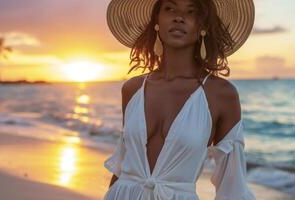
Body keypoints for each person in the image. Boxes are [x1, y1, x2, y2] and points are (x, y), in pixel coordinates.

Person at [104, 0, 256, 199]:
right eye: (170, 8)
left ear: (203, 26)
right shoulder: (132, 89)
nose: (179, 17)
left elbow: (232, 184)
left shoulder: (221, 94)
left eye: (191, 12)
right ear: (157, 20)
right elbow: (123, 164)